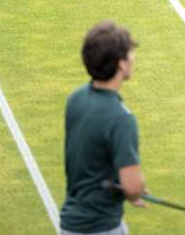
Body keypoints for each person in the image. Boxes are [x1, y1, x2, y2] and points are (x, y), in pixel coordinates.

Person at [59, 21, 147, 235]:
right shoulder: (121, 118)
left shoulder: (76, 99)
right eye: (130, 54)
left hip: (70, 224)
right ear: (121, 64)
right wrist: (134, 190)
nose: (133, 58)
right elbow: (133, 186)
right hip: (101, 227)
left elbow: (90, 158)